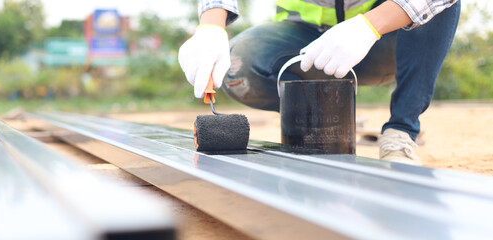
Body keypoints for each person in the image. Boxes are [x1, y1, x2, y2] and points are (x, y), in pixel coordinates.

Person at [178, 0, 460, 165]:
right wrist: (212, 24)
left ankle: (401, 131)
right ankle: (324, 121)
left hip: (385, 39)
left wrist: (370, 25)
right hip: (306, 44)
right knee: (242, 61)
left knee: (441, 6)